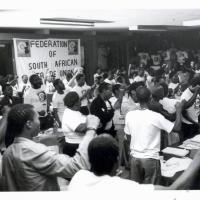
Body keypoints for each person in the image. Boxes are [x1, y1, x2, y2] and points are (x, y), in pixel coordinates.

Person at [2, 103, 100, 191]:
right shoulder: (34, 151)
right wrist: (91, 130)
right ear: (29, 124)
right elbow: (77, 165)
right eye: (37, 118)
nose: (40, 121)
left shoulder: (8, 153)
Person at [68, 134, 200, 192]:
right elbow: (173, 190)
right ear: (116, 163)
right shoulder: (126, 187)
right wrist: (196, 160)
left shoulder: (78, 177)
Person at [124, 86, 183, 184]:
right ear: (150, 98)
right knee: (151, 190)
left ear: (137, 99)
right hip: (150, 159)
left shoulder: (129, 115)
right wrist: (179, 110)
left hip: (134, 158)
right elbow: (177, 128)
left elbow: (129, 137)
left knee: (135, 189)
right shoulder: (156, 117)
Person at [62, 92, 88, 156]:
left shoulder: (76, 112)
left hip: (81, 145)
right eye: (79, 100)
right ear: (75, 102)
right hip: (74, 147)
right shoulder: (69, 114)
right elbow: (80, 128)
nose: (81, 102)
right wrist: (93, 122)